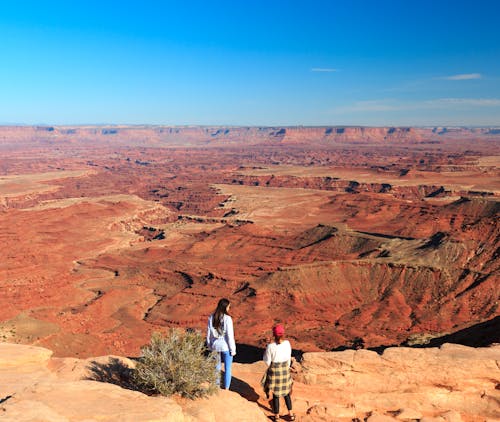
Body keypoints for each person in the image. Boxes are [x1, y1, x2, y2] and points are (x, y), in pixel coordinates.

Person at [263, 324, 296, 422]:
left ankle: (276, 416)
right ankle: (291, 415)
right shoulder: (287, 343)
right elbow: (288, 358)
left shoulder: (270, 346)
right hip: (285, 371)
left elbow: (267, 362)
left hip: (275, 372)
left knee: (276, 395)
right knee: (286, 394)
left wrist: (267, 347)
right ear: (283, 334)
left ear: (274, 334)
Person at [206, 298, 236, 389]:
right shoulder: (227, 319)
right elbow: (230, 335)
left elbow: (209, 333)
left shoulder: (212, 317)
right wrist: (233, 349)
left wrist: (209, 345)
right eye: (228, 307)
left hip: (215, 346)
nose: (229, 309)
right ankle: (226, 388)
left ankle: (216, 386)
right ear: (225, 307)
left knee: (216, 368)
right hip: (226, 347)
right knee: (227, 369)